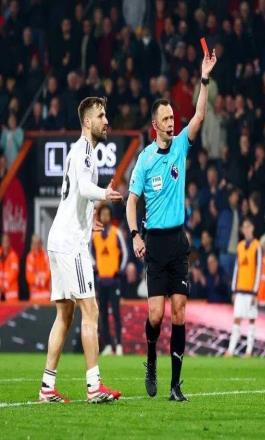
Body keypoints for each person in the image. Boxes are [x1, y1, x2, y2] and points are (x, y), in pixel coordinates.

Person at [126, 49, 217, 402]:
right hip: (154, 244)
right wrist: (135, 235)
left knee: (179, 312)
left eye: (172, 117)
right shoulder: (145, 160)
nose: (171, 122)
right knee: (155, 315)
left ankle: (175, 386)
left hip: (178, 243)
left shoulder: (181, 146)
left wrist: (204, 78)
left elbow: (200, 114)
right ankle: (151, 360)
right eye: (165, 119)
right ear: (155, 125)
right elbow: (132, 201)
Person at [40, 97, 123, 404]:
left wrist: (90, 222)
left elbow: (76, 194)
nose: (106, 120)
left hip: (59, 239)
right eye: (101, 115)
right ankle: (93, 386)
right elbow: (86, 189)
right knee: (91, 310)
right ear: (87, 122)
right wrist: (105, 194)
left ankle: (47, 387)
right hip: (70, 245)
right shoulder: (85, 151)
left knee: (65, 314)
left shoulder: (79, 152)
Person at [92, 204, 128, 356]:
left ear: (110, 216)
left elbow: (125, 253)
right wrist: (96, 267)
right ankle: (107, 345)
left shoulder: (116, 232)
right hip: (101, 281)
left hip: (114, 280)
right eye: (103, 214)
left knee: (116, 314)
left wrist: (119, 271)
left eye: (107, 214)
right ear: (100, 217)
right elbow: (90, 253)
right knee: (103, 315)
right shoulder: (95, 235)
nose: (105, 217)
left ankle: (118, 345)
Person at [225, 218, 262, 358]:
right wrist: (234, 289)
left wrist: (255, 291)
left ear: (252, 228)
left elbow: (258, 269)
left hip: (251, 290)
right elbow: (237, 268)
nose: (246, 229)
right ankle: (231, 350)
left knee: (251, 319)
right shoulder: (240, 246)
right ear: (242, 230)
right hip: (240, 289)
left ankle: (249, 351)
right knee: (237, 318)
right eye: (244, 227)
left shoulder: (257, 246)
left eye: (248, 226)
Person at [25, 234, 50, 302]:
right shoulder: (30, 257)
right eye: (35, 243)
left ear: (41, 244)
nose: (36, 245)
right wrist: (39, 280)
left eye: (38, 243)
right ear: (32, 244)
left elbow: (49, 272)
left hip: (45, 295)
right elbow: (29, 276)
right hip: (34, 296)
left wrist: (42, 279)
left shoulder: (45, 256)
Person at [0, 234, 19, 302]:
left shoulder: (13, 255)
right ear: (1, 242)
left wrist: (5, 284)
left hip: (11, 291)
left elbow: (14, 273)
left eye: (7, 241)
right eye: (4, 241)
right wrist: (1, 285)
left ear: (9, 242)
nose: (6, 243)